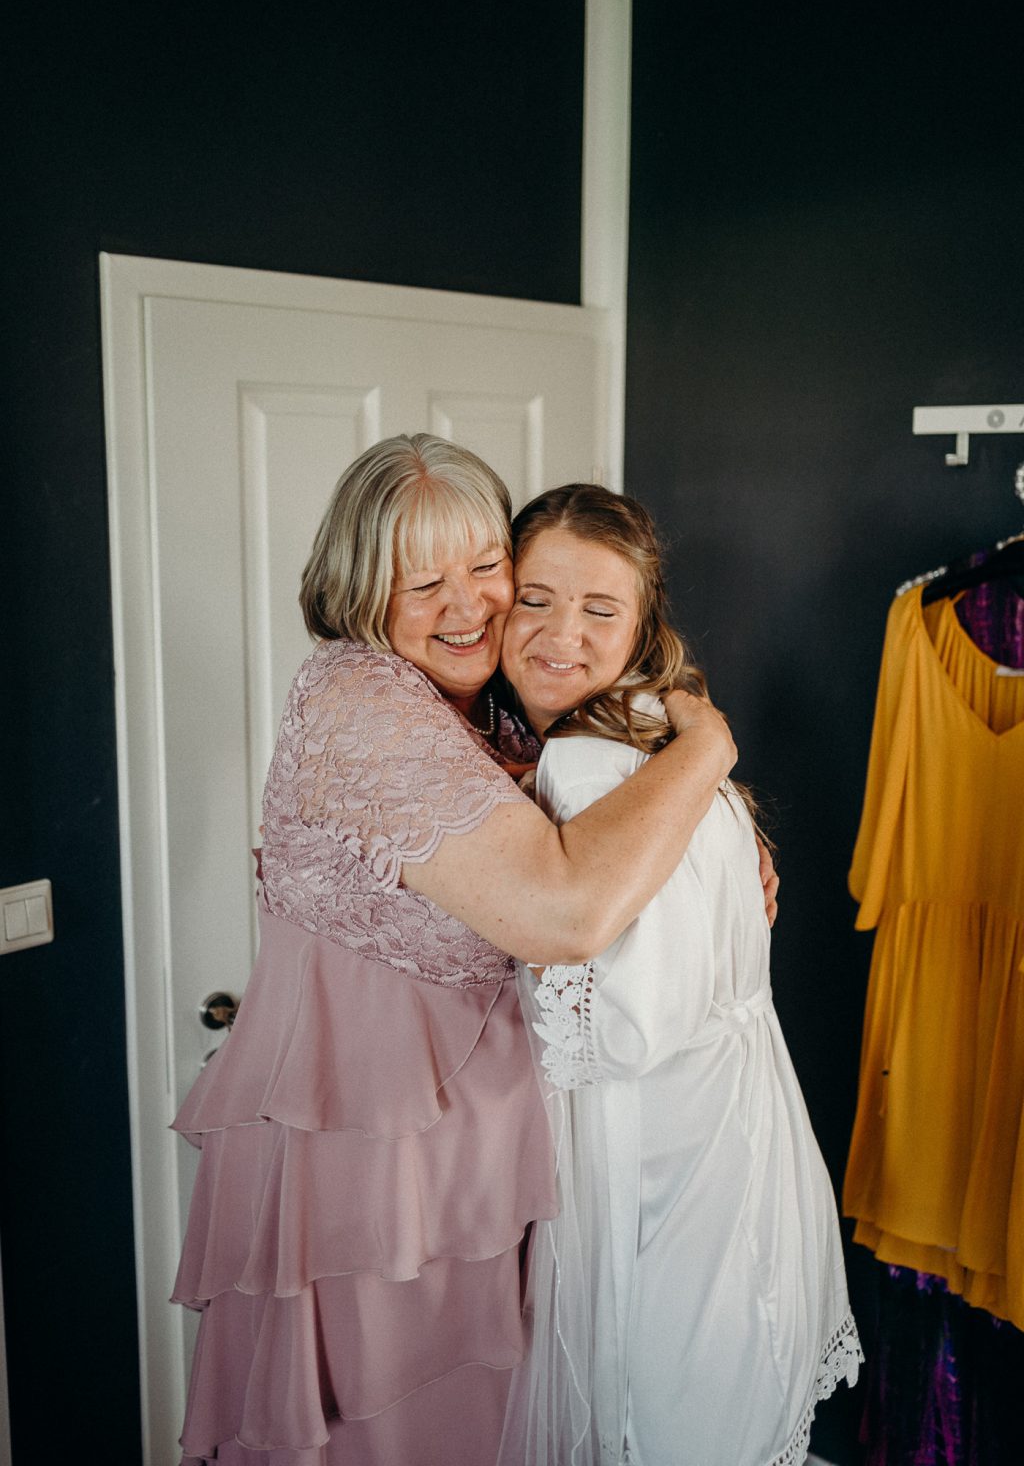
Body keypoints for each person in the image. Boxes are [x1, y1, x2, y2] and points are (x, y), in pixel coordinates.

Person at [170, 436, 754, 1466]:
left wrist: (723, 844)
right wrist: (709, 750)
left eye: (488, 567)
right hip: (370, 1167)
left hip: (487, 1155)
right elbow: (563, 913)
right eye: (421, 582)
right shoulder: (361, 703)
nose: (468, 606)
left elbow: (618, 831)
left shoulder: (492, 702)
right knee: (391, 1428)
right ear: (360, 592)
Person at [498, 483, 861, 1466]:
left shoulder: (585, 766)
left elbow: (619, 1025)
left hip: (661, 1178)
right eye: (535, 599)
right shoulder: (654, 732)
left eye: (598, 608)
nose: (560, 634)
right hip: (742, 1153)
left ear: (641, 625)